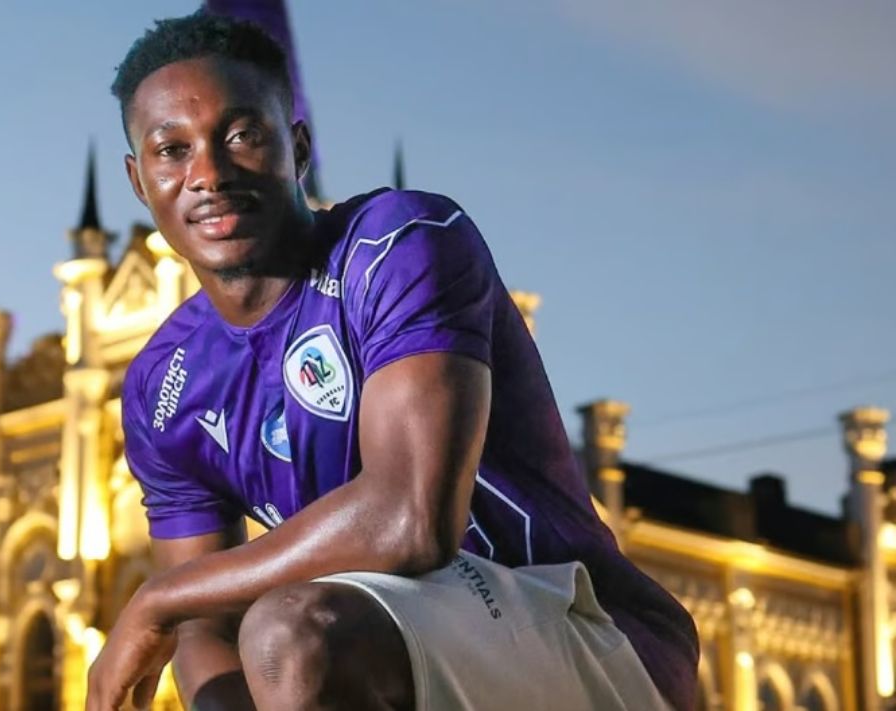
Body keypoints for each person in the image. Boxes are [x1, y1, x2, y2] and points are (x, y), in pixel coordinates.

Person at [86, 11, 698, 711]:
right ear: (139, 181)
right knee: (281, 634)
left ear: (298, 147)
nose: (209, 174)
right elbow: (206, 626)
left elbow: (411, 521)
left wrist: (157, 598)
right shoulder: (162, 385)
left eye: (242, 135)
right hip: (388, 644)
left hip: (584, 630)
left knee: (291, 631)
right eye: (172, 150)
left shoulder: (398, 243)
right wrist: (190, 631)